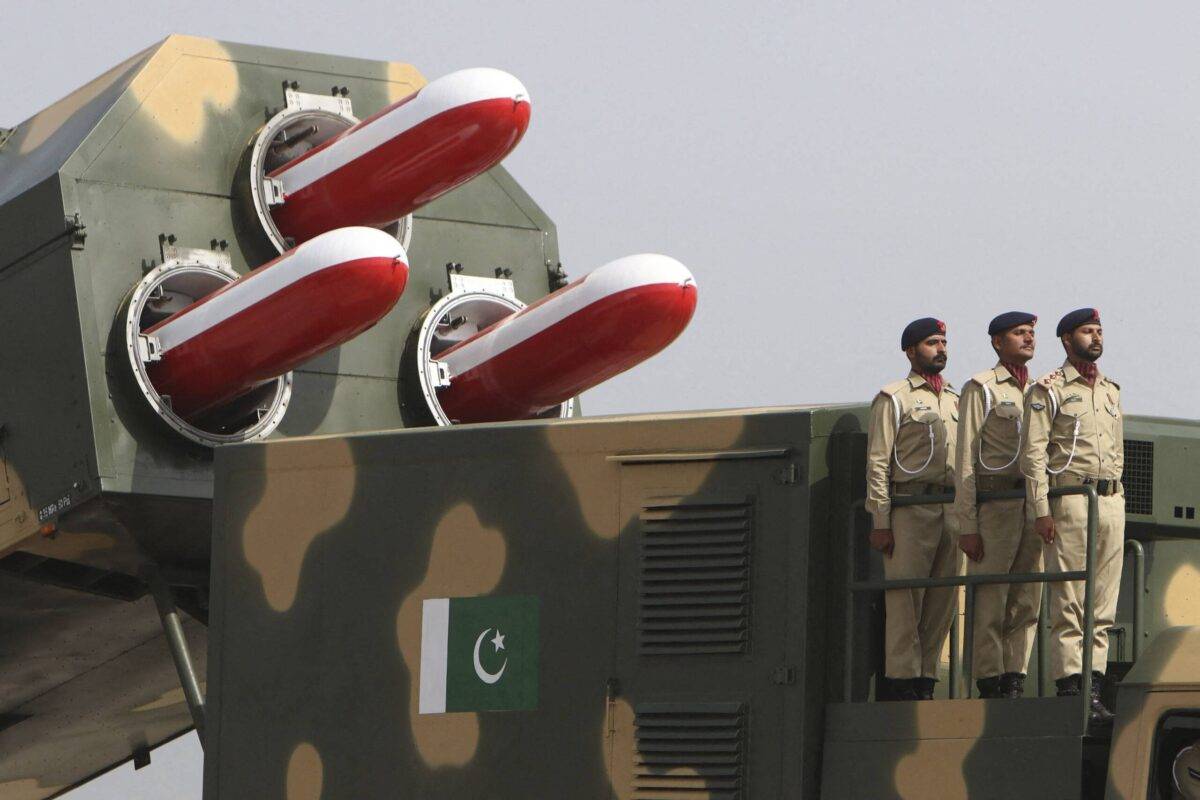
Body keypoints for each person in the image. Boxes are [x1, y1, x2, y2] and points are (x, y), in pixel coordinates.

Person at [1020, 308, 1123, 724]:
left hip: (1110, 500)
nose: (1095, 337)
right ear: (1066, 339)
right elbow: (1034, 455)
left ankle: (1094, 687)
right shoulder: (1051, 389)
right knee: (1069, 602)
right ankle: (1070, 686)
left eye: (1099, 330)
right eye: (1087, 331)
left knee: (1103, 605)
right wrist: (1041, 509)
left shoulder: (1111, 390)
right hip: (1072, 500)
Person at [866, 317, 961, 701]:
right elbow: (877, 462)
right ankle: (903, 681)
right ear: (910, 351)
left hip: (950, 509)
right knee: (906, 601)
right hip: (910, 506)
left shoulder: (956, 399)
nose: (940, 349)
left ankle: (925, 680)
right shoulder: (894, 397)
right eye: (931, 343)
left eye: (943, 342)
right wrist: (881, 520)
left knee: (943, 601)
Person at [954, 311, 1042, 699]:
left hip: (1030, 502)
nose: (1028, 339)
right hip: (996, 501)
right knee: (991, 594)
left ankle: (1014, 676)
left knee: (1026, 596)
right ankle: (989, 679)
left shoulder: (1040, 391)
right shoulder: (982, 388)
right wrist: (968, 524)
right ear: (997, 342)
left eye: (1031, 333)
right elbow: (965, 459)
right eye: (1019, 333)